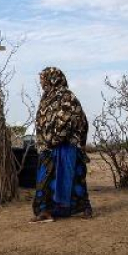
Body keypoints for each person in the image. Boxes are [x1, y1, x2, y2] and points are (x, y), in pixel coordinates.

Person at [31, 67, 93, 223]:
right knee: (45, 181)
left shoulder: (67, 97)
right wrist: (44, 142)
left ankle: (81, 209)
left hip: (65, 148)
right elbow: (42, 123)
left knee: (75, 180)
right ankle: (47, 211)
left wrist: (54, 140)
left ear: (53, 79)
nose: (42, 83)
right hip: (47, 148)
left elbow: (74, 120)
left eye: (44, 80)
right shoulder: (47, 98)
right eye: (41, 80)